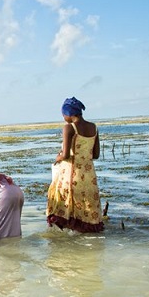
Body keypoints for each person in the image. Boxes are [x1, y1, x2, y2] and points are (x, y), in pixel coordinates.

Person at [46, 96, 104, 233]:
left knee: (63, 205)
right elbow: (95, 155)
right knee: (87, 206)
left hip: (71, 175)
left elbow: (65, 155)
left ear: (69, 114)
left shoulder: (69, 128)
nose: (63, 117)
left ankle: (68, 245)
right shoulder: (93, 127)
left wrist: (58, 157)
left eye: (63, 114)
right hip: (89, 176)